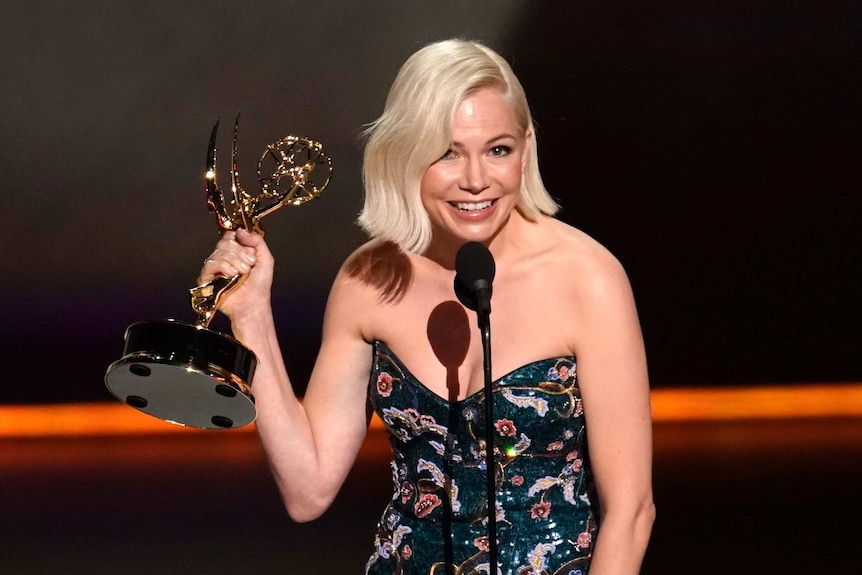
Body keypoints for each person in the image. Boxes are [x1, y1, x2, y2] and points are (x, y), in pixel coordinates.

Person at [199, 39, 654, 575]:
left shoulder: (589, 280)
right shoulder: (369, 280)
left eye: (498, 150)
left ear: (526, 149)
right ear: (405, 153)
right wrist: (251, 317)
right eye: (447, 152)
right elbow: (307, 490)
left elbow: (630, 511)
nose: (476, 180)